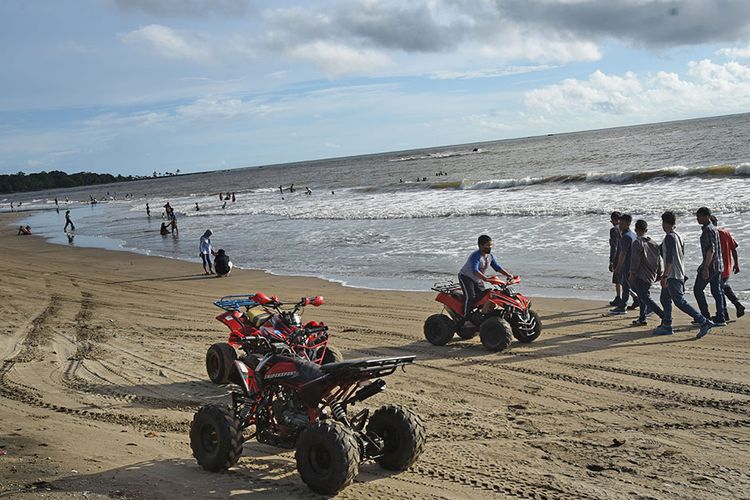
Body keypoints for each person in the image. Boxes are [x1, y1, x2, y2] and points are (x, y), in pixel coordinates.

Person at [654, 211, 715, 338]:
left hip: (673, 275)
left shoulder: (670, 237)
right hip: (678, 273)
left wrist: (664, 276)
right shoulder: (678, 236)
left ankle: (703, 321)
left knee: (679, 301)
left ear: (664, 223)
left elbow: (669, 259)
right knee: (665, 299)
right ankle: (667, 324)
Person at [458, 235, 513, 325]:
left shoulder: (489, 256)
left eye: (491, 245)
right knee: (470, 297)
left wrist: (507, 274)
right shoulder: (475, 256)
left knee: (484, 296)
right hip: (466, 277)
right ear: (480, 246)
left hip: (478, 279)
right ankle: (466, 319)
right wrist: (485, 278)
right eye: (487, 245)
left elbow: (497, 267)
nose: (490, 247)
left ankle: (480, 317)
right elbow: (475, 270)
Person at [693, 207, 726, 326]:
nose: (697, 218)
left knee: (697, 289)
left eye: (699, 216)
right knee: (716, 291)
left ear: (706, 216)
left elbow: (710, 250)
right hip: (718, 265)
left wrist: (705, 267)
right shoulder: (714, 229)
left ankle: (705, 316)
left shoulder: (707, 230)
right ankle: (721, 317)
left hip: (711, 265)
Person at [628, 220, 663, 326]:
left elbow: (635, 260)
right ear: (646, 230)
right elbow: (659, 259)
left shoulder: (637, 243)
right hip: (651, 274)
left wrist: (632, 273)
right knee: (643, 296)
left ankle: (663, 315)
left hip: (641, 274)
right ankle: (642, 317)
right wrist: (659, 272)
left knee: (644, 297)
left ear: (635, 230)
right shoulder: (653, 243)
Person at [711, 215, 745, 320]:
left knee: (719, 289)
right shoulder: (726, 233)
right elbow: (733, 248)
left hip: (717, 266)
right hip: (727, 265)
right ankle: (733, 307)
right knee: (722, 287)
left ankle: (725, 312)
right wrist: (736, 263)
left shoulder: (712, 234)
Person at [610, 214, 638, 314]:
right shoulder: (633, 234)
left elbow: (622, 254)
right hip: (633, 264)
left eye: (622, 223)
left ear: (628, 224)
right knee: (626, 287)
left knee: (628, 286)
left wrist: (617, 268)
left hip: (627, 265)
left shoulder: (626, 236)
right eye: (619, 223)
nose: (619, 225)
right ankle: (623, 305)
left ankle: (623, 306)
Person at [608, 211, 622, 306]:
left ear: (614, 220)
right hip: (625, 256)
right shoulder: (624, 229)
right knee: (624, 279)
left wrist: (611, 261)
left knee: (617, 279)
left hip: (618, 257)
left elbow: (614, 246)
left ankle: (618, 298)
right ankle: (634, 296)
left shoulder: (614, 230)